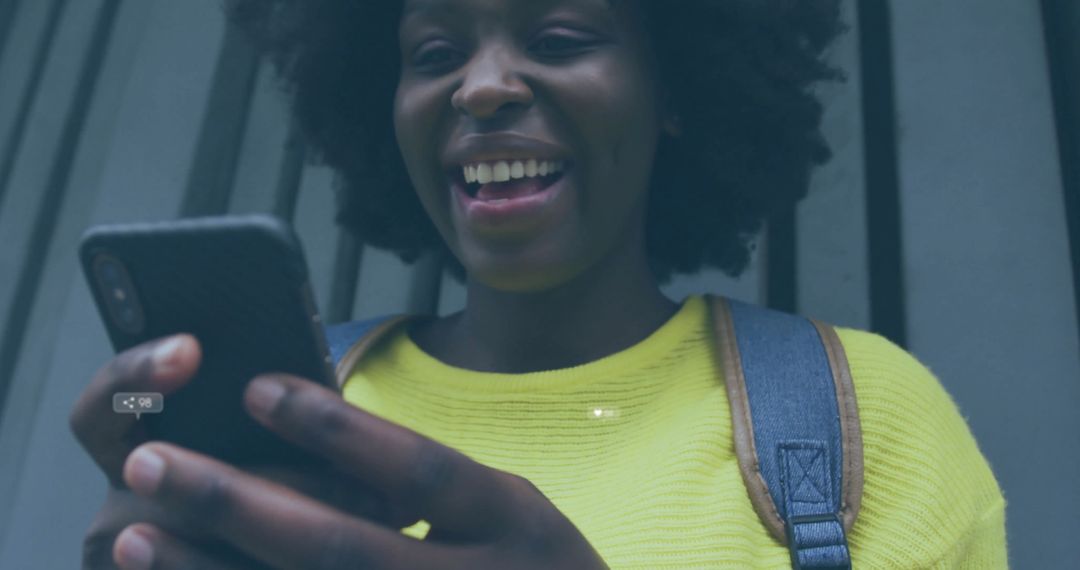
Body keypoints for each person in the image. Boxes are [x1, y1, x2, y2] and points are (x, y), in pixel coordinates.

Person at [70, 0, 1008, 567]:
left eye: (558, 35)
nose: (480, 87)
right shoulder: (288, 418)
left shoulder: (862, 419)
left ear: (674, 87)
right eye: (433, 53)